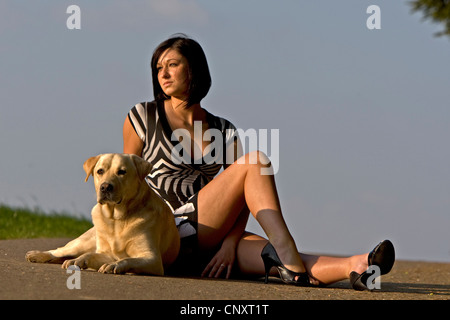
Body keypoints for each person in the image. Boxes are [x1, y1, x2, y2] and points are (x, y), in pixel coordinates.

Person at [123, 34, 395, 290]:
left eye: (172, 65)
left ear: (194, 69)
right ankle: (285, 245)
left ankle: (357, 267)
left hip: (208, 240)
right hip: (165, 232)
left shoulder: (222, 128)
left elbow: (241, 198)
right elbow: (125, 181)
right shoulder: (144, 116)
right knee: (255, 164)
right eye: (159, 68)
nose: (164, 74)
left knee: (277, 259)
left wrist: (229, 244)